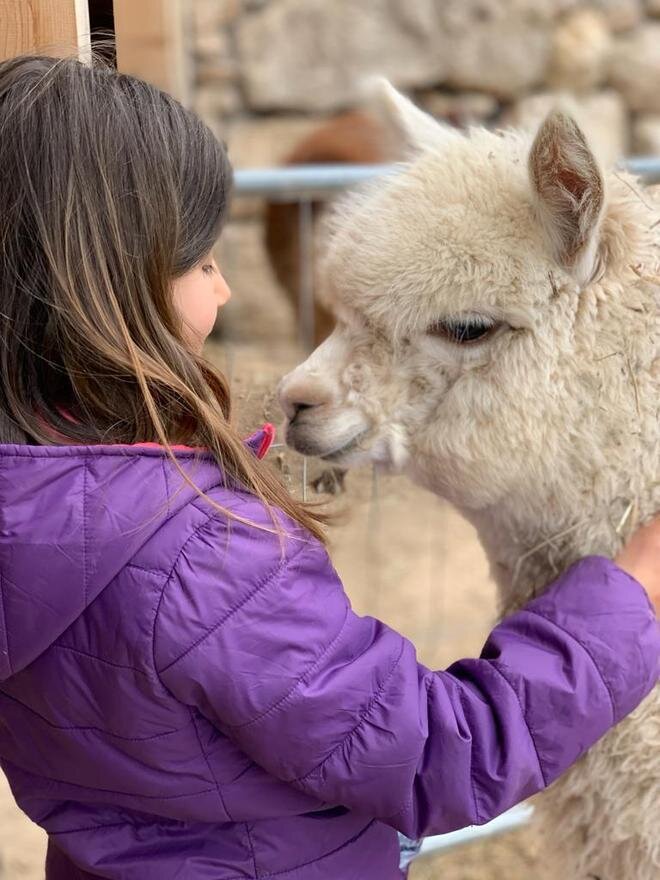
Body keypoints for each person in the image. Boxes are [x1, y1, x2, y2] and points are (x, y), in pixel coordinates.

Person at [0, 54, 657, 880]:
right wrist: (625, 597)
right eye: (201, 262)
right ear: (110, 285)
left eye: (460, 329)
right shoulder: (199, 557)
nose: (230, 289)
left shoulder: (48, 500)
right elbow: (431, 756)